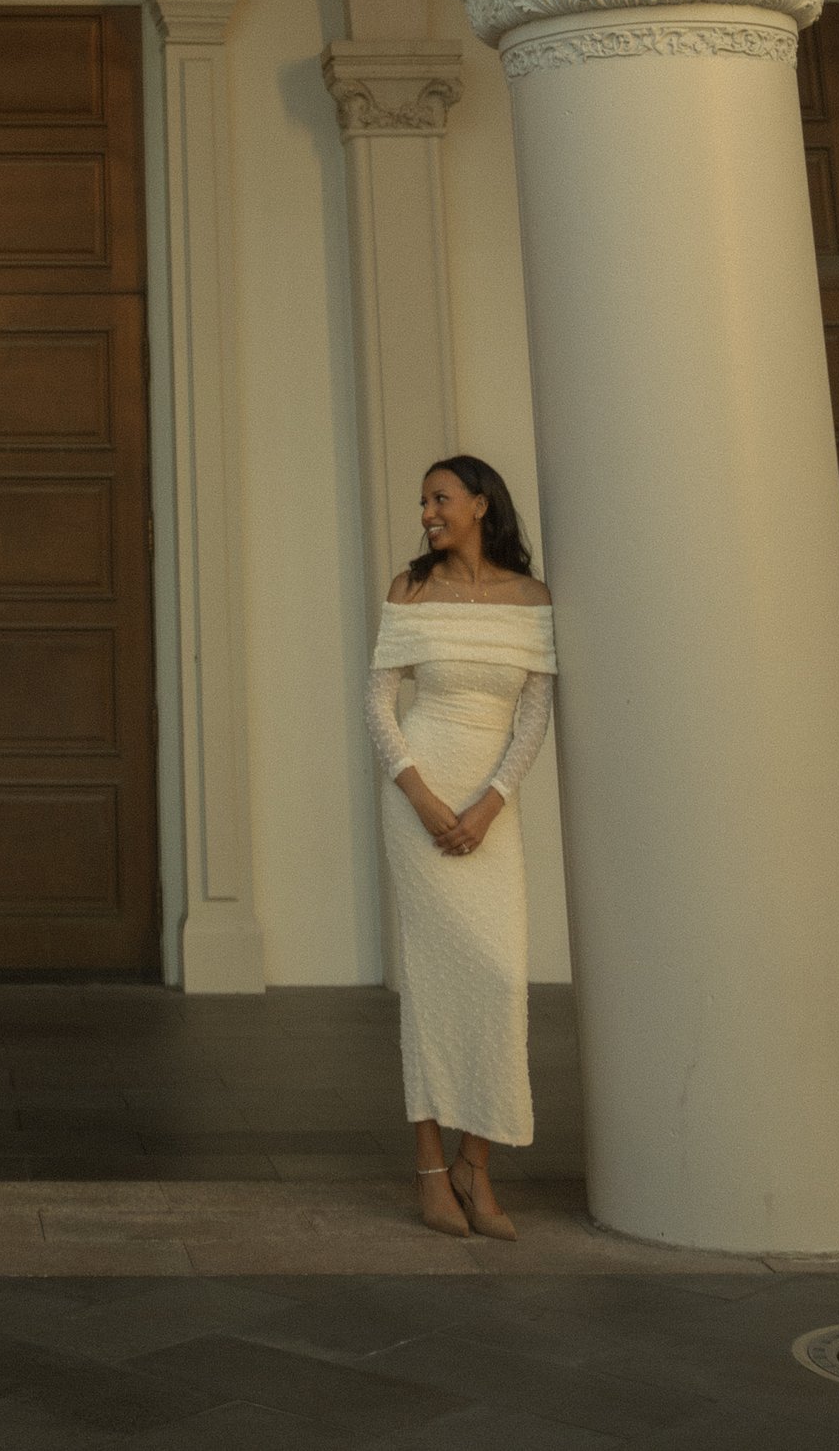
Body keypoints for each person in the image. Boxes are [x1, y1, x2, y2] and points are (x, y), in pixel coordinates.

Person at [364, 453, 556, 1240]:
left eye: (438, 499)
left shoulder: (531, 600)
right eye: (421, 502)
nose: (426, 513)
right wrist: (421, 794)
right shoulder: (410, 590)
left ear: (481, 504)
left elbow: (534, 716)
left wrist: (489, 805)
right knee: (434, 983)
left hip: (490, 808)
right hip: (420, 795)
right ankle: (430, 1170)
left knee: (501, 979)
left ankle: (478, 1165)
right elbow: (378, 703)